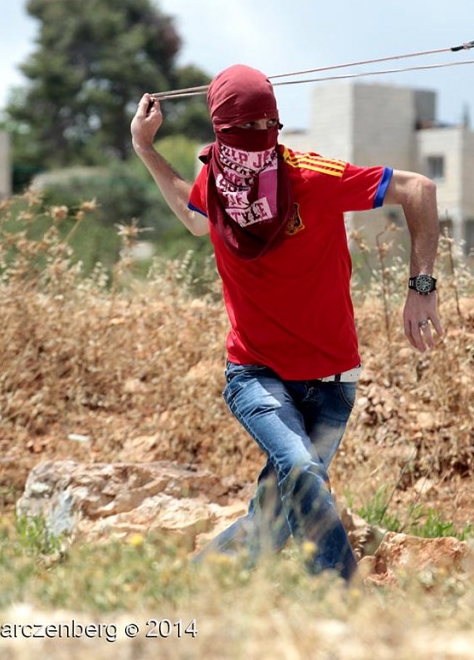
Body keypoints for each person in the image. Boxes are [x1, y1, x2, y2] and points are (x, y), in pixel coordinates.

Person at [130, 64, 443, 582]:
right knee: (301, 470)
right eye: (242, 129)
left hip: (332, 381)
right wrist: (145, 149)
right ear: (218, 131)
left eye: (265, 127)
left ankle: (180, 593)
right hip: (255, 372)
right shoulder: (215, 183)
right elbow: (192, 217)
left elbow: (419, 188)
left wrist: (421, 288)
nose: (255, 140)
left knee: (272, 525)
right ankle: (344, 603)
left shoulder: (312, 177)